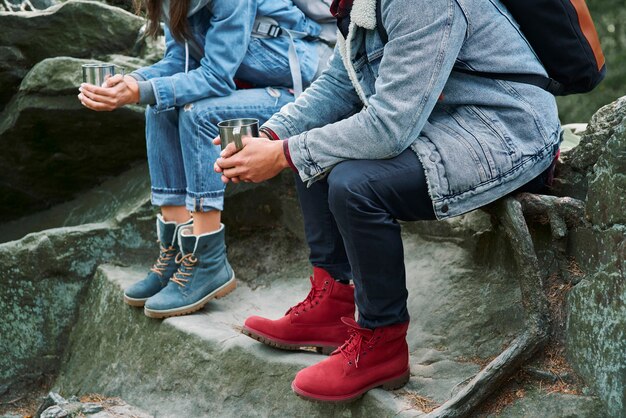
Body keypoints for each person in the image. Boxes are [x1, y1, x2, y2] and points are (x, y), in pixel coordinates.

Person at [214, 0, 561, 403]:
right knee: (317, 146)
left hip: (505, 130)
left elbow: (390, 126)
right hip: (441, 120)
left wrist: (284, 154)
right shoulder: (355, 5)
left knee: (352, 181)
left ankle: (383, 343)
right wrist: (271, 137)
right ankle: (333, 304)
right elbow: (338, 87)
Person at [78, 0, 328, 318]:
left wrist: (139, 91)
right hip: (244, 87)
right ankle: (177, 254)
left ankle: (208, 262)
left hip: (293, 93)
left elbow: (215, 78)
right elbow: (178, 63)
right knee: (161, 108)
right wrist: (132, 82)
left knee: (200, 114)